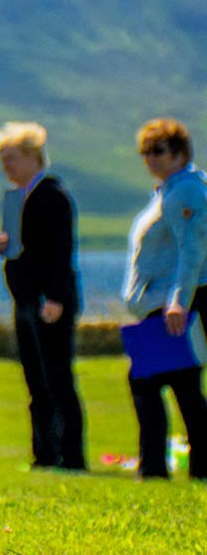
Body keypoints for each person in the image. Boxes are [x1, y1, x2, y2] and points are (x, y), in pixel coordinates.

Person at [0, 120, 86, 473]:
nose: (6, 166)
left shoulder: (52, 196)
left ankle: (71, 455)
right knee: (35, 380)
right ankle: (43, 453)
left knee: (57, 378)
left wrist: (55, 297)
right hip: (25, 300)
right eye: (3, 159)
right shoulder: (17, 200)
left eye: (11, 158)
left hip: (48, 302)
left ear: (33, 157)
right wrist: (3, 246)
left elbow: (62, 251)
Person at [120, 117, 207, 480]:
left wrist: (178, 301)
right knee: (185, 385)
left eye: (158, 151)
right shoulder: (171, 190)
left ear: (180, 152)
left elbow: (194, 249)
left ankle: (153, 467)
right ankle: (190, 467)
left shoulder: (185, 191)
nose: (150, 159)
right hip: (164, 301)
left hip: (174, 303)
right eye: (145, 152)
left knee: (146, 380)